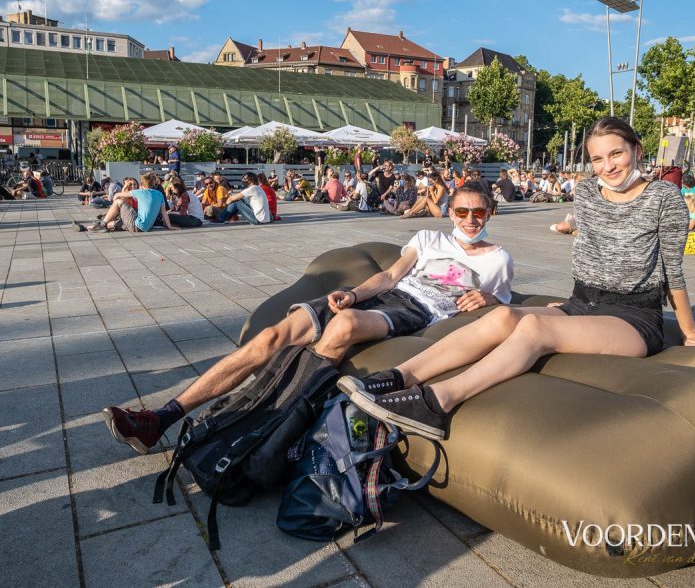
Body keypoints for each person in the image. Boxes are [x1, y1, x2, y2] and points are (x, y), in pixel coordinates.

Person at [338, 116, 695, 440]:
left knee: (535, 327)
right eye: (597, 158)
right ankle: (399, 377)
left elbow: (674, 270)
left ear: (636, 151)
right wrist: (573, 305)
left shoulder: (663, 197)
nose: (608, 166)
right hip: (581, 303)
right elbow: (591, 251)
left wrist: (689, 333)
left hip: (632, 317)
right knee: (504, 317)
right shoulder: (588, 192)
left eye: (616, 154)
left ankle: (438, 402)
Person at [101, 186, 514, 454]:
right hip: (391, 294)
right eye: (462, 211)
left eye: (478, 212)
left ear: (491, 212)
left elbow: (502, 304)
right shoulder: (428, 239)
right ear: (450, 210)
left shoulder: (498, 259)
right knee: (271, 336)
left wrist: (489, 295)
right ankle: (162, 418)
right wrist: (353, 292)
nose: (469, 219)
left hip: (416, 312)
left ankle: (247, 422)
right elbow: (389, 276)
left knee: (347, 325)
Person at [76, 172, 176, 233]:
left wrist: (116, 207)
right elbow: (164, 213)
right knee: (112, 224)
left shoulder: (139, 192)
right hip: (146, 227)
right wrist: (169, 227)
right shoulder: (159, 193)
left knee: (119, 202)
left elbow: (117, 196)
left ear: (141, 184)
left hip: (137, 224)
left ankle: (102, 224)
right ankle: (86, 228)